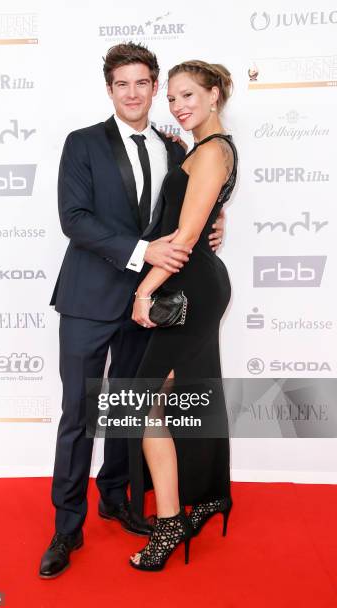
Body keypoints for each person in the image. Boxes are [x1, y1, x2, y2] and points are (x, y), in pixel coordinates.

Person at [39, 44, 225, 579]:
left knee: (127, 409)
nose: (133, 93)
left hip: (147, 302)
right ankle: (66, 525)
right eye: (122, 84)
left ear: (153, 87)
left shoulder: (173, 146)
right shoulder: (82, 144)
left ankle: (115, 498)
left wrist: (214, 225)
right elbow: (73, 218)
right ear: (109, 89)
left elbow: (188, 208)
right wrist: (143, 252)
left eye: (143, 83)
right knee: (79, 413)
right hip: (87, 299)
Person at [128, 60, 237, 571]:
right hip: (193, 284)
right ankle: (206, 497)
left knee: (146, 403)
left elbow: (187, 237)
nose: (178, 106)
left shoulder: (213, 151)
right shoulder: (202, 151)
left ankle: (170, 521)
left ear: (215, 95)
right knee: (174, 397)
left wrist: (143, 292)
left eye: (189, 95)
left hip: (189, 288)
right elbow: (199, 219)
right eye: (172, 98)